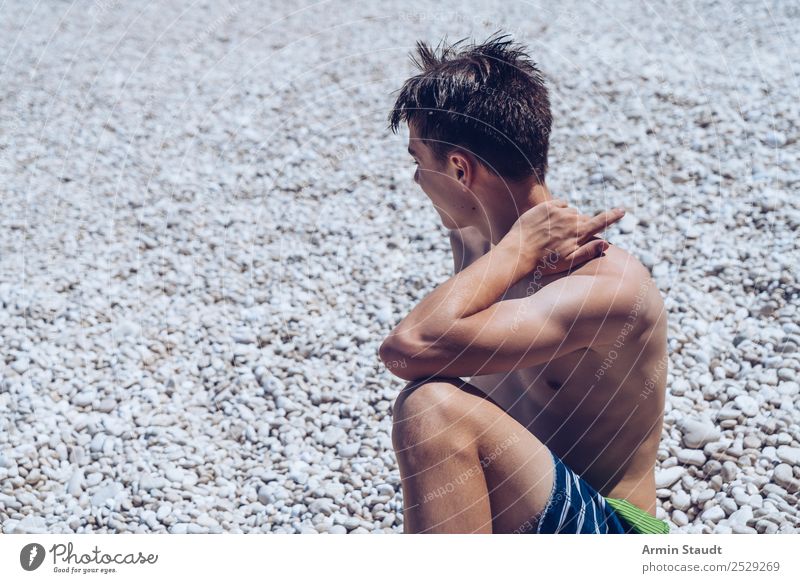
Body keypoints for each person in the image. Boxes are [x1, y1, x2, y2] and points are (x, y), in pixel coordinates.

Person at [379, 32, 670, 534]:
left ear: (459, 169)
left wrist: (517, 248)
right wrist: (517, 254)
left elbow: (407, 351)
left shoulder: (608, 284)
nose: (415, 181)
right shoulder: (478, 244)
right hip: (525, 510)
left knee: (431, 407)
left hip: (612, 532)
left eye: (416, 163)